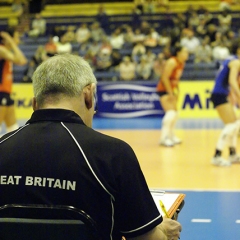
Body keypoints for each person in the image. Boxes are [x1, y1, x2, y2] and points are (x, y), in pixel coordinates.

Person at [0, 53, 182, 240]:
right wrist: (163, 232)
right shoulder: (114, 154)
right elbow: (146, 238)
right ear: (88, 95)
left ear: (34, 104)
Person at [210, 43, 240, 166]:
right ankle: (217, 155)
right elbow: (232, 81)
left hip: (222, 94)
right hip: (219, 94)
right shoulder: (236, 62)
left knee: (236, 124)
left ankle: (232, 153)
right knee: (231, 125)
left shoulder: (230, 59)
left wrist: (234, 97)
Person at [156, 46, 189, 147]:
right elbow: (165, 77)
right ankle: (164, 138)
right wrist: (170, 93)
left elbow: (176, 79)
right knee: (170, 113)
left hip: (171, 90)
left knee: (175, 114)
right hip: (164, 90)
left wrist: (177, 91)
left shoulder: (181, 64)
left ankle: (171, 136)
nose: (187, 54)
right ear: (178, 53)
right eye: (185, 52)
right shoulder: (172, 62)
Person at [0, 28, 27, 134]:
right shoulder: (1, 50)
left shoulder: (6, 51)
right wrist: (11, 41)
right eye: (16, 37)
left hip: (6, 92)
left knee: (13, 129)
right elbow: (21, 60)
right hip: (0, 92)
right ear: (7, 39)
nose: (18, 40)